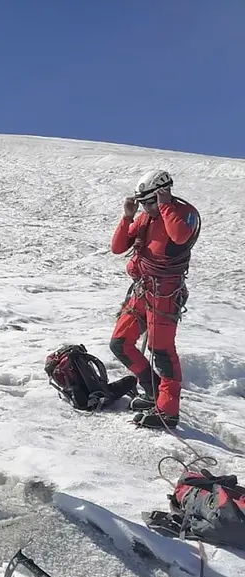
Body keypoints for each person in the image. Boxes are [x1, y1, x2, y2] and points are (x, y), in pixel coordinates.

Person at [109, 170, 201, 429]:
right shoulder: (144, 218)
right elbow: (118, 246)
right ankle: (153, 391)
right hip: (142, 291)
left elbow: (180, 236)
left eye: (149, 202)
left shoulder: (182, 214)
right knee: (119, 343)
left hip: (165, 294)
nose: (146, 208)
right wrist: (128, 215)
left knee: (161, 352)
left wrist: (165, 205)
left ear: (163, 193)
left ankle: (168, 411)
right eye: (144, 203)